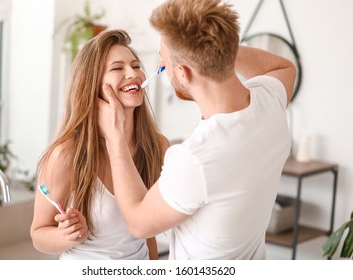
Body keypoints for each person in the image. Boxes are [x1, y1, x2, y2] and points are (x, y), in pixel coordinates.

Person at [97, 0, 297, 260]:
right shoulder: (270, 101)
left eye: (165, 60)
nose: (160, 66)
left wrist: (114, 137)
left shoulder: (194, 159)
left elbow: (137, 224)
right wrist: (216, 47)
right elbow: (285, 67)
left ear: (183, 73)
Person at [30, 29, 170, 260]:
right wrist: (67, 236)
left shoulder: (157, 146)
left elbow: (148, 232)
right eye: (117, 68)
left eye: (136, 66)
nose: (132, 73)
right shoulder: (66, 155)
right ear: (91, 85)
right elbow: (38, 235)